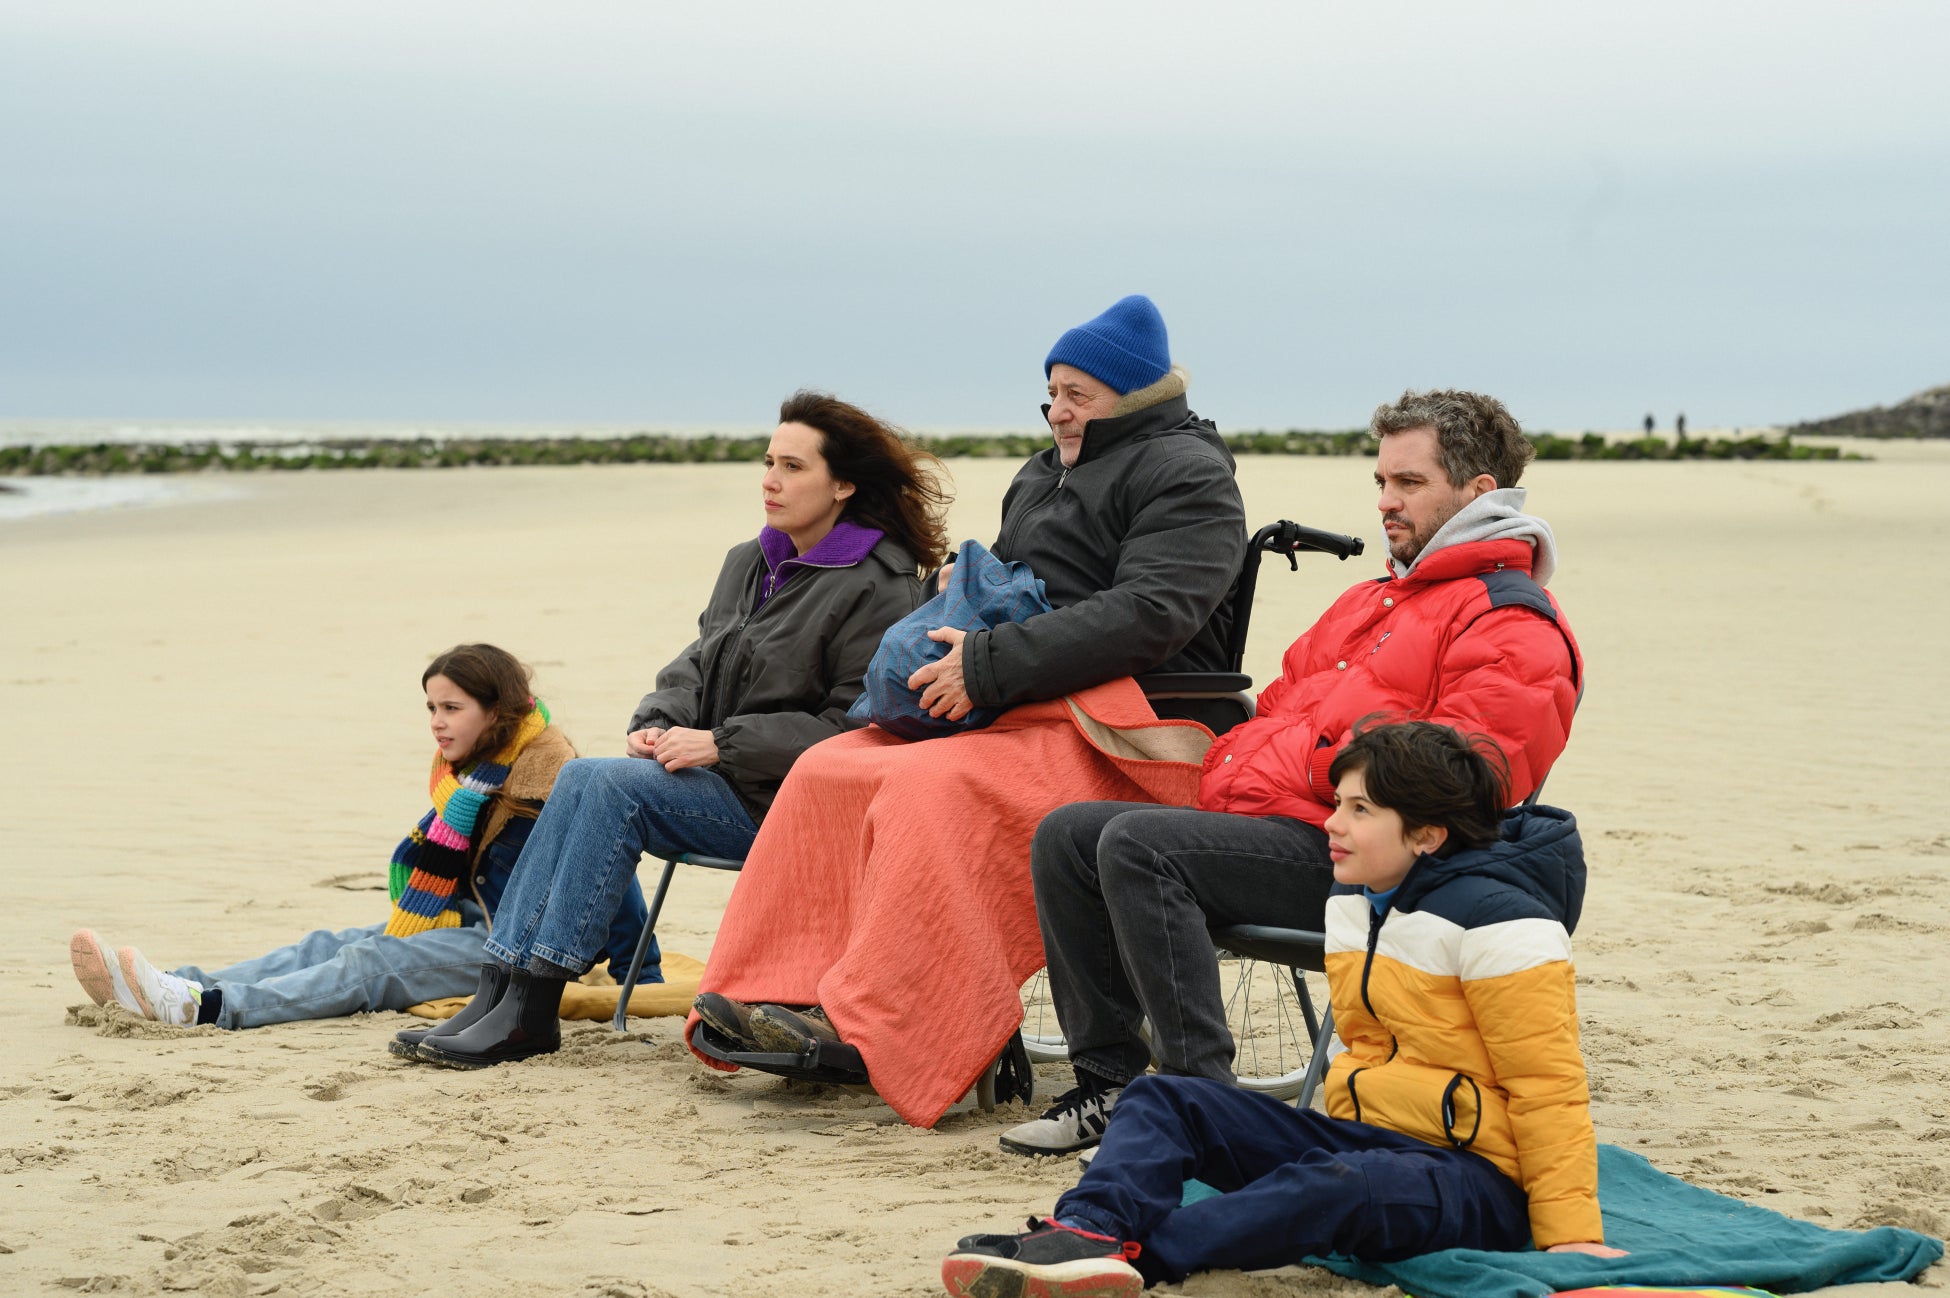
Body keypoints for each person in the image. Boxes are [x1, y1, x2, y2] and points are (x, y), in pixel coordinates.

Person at [688, 295, 1247, 1127]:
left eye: (1079, 395)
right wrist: (960, 604)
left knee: (930, 787)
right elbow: (1014, 586)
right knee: (828, 764)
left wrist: (986, 665)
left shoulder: (1189, 473)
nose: (1058, 411)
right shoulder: (1042, 472)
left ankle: (880, 1027)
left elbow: (1153, 612)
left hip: (1127, 724)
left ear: (1133, 396)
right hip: (1023, 699)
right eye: (1051, 393)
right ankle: (779, 994)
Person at [1008, 388, 1583, 1156]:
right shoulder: (1372, 600)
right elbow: (1278, 708)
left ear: (1480, 492)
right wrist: (1260, 762)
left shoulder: (1509, 619)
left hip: (1385, 867)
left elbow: (1471, 781)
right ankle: (1108, 1084)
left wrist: (1318, 766)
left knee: (1140, 846)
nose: (1385, 501)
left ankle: (1201, 1112)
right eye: (1381, 481)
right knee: (1070, 835)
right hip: (1285, 826)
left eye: (1409, 483)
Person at [944, 721, 1624, 1296]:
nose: (1332, 824)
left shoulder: (1506, 922)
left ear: (1427, 834)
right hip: (1367, 1141)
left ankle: (1137, 1257)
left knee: (1334, 1184)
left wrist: (1571, 1235)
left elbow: (1549, 1088)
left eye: (1361, 811)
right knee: (1163, 1098)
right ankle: (1084, 1231)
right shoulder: (1355, 898)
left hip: (1478, 1181)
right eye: (1338, 803)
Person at [402, 390, 942, 1069]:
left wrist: (722, 744)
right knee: (585, 774)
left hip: (789, 804)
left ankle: (531, 1006)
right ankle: (501, 988)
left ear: (843, 485)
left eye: (793, 467)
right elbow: (697, 662)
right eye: (768, 462)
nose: (770, 481)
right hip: (719, 781)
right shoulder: (749, 561)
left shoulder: (879, 585)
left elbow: (852, 726)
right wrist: (659, 721)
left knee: (609, 787)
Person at [67, 643, 616, 1028]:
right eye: (431, 707)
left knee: (372, 962)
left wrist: (641, 970)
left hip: (516, 949)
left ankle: (205, 1007)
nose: (436, 721)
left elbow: (609, 872)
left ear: (496, 711)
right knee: (325, 945)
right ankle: (172, 982)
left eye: (452, 708)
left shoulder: (545, 777)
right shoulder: (473, 775)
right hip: (471, 922)